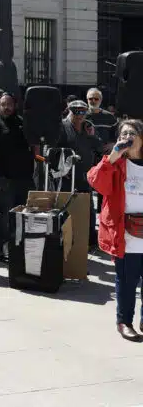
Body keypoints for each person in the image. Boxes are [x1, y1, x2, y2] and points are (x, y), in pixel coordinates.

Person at [88, 120, 143, 341]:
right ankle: (124, 322)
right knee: (127, 281)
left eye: (132, 133)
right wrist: (112, 156)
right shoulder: (116, 163)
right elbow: (95, 181)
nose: (127, 137)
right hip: (126, 233)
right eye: (123, 133)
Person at [0, 93, 35, 258]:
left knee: (24, 212)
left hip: (24, 178)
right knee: (5, 213)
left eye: (9, 104)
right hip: (3, 178)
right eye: (3, 104)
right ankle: (7, 245)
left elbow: (34, 146)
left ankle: (21, 245)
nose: (6, 107)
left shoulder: (23, 123)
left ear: (15, 105)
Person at [56, 100, 104, 247]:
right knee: (66, 208)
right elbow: (54, 150)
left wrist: (92, 135)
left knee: (88, 209)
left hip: (84, 175)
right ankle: (66, 241)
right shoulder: (61, 126)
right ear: (69, 111)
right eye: (76, 111)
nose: (80, 115)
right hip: (66, 176)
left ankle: (90, 241)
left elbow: (99, 147)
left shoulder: (88, 126)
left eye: (83, 111)